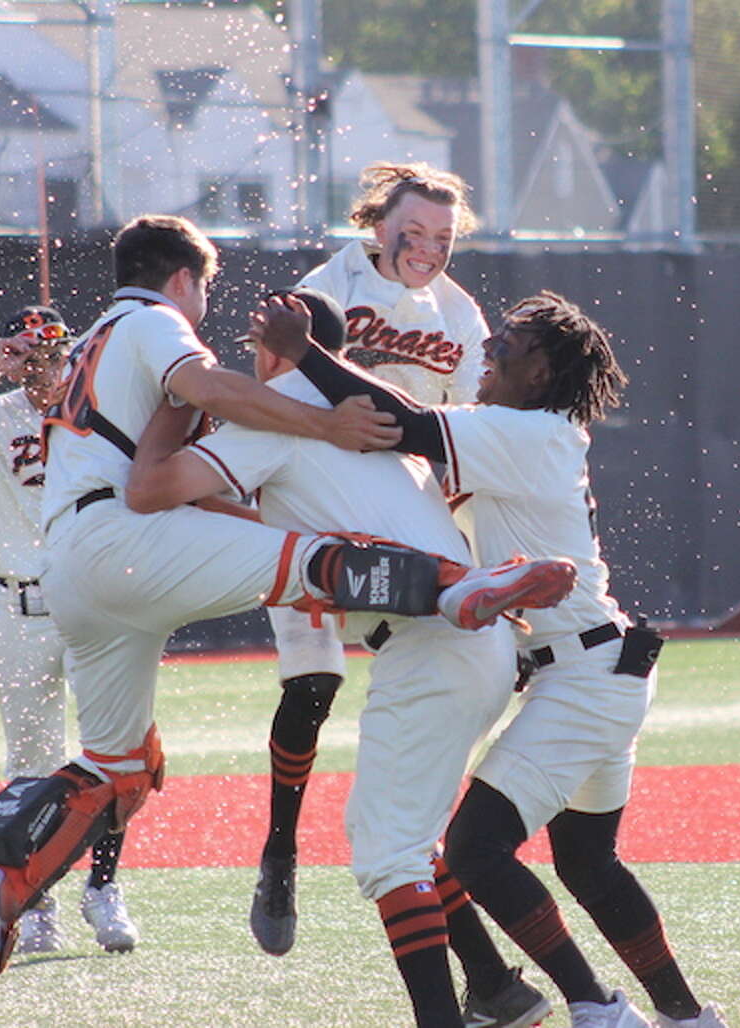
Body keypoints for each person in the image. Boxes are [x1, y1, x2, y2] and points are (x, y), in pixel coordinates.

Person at [0, 214, 569, 1014]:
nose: (217, 324)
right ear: (182, 281)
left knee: (120, 772)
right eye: (205, 292)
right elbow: (193, 409)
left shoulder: (97, 332)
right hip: (127, 539)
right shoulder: (157, 320)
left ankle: (4, 885)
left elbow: (178, 446)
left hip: (71, 568)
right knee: (304, 563)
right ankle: (457, 586)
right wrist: (321, 420)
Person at [253, 291, 729, 1028]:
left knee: (476, 848)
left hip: (583, 674)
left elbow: (399, 423)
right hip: (593, 666)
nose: (489, 350)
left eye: (508, 344)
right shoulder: (527, 428)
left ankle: (597, 1006)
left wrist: (308, 352)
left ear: (540, 374)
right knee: (587, 864)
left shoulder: (526, 430)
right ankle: (686, 1017)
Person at [123, 286, 576, 1028]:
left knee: (388, 855)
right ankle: (497, 988)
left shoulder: (274, 418)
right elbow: (295, 503)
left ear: (273, 350)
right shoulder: (373, 402)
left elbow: (152, 488)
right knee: (397, 832)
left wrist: (173, 399)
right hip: (468, 646)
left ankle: (451, 1017)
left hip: (431, 646)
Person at [253, 165, 550, 1028]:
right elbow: (287, 388)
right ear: (373, 223)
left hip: (403, 510)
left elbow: (460, 433)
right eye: (411, 231)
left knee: (400, 825)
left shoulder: (459, 312)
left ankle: (494, 989)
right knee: (313, 689)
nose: (426, 249)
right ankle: (279, 853)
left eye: (443, 238)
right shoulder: (326, 287)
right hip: (318, 500)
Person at [0, 304, 138, 955]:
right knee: (30, 763)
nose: (43, 368)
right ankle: (34, 897)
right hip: (19, 605)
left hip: (95, 597)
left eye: (53, 354)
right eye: (30, 356)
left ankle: (102, 887)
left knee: (113, 749)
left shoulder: (101, 412)